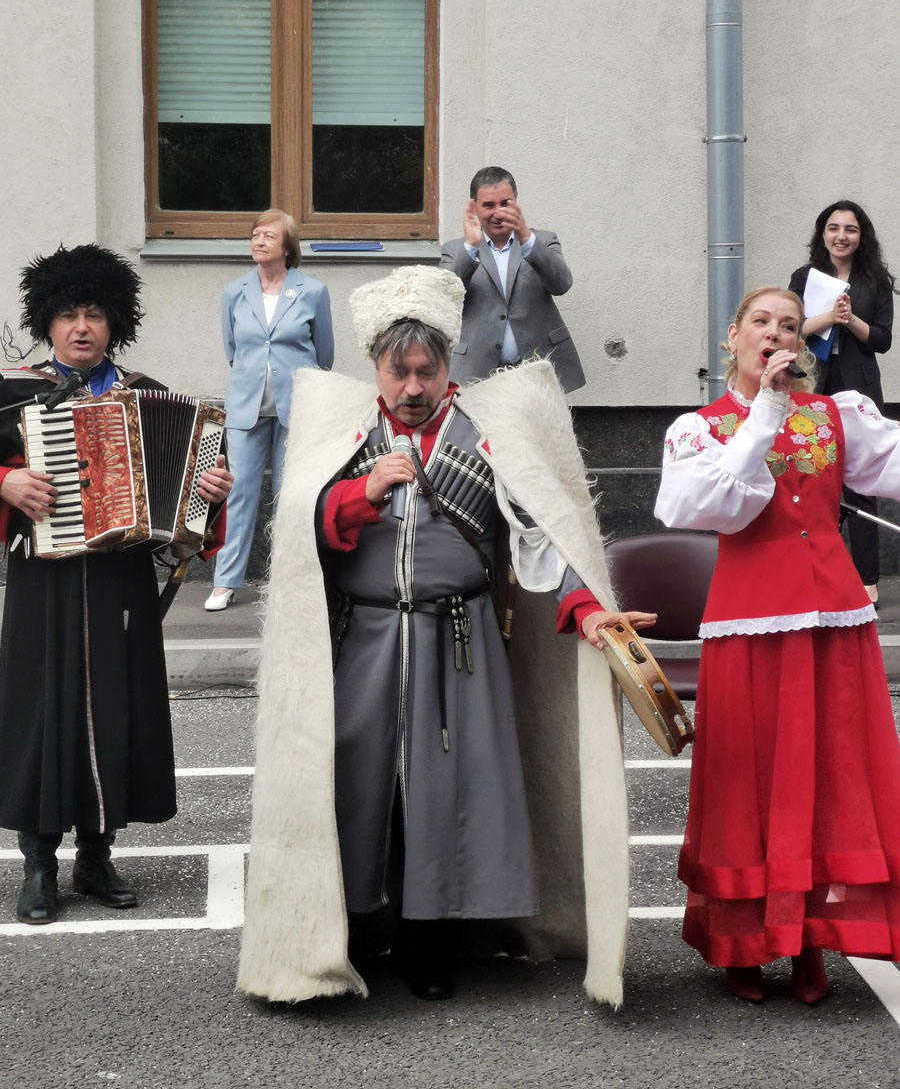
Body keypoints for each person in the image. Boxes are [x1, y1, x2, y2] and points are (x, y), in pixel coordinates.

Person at [237, 265, 653, 1005]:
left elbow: (542, 536)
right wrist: (359, 493)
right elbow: (302, 539)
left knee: (446, 796)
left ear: (446, 364)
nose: (412, 387)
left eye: (425, 371)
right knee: (357, 787)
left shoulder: (487, 434)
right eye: (397, 372)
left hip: (459, 644)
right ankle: (347, 933)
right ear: (376, 367)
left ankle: (429, 944)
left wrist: (589, 609)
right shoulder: (343, 432)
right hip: (360, 642)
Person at [655, 285, 900, 1005]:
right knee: (748, 779)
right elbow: (710, 508)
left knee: (831, 776)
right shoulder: (700, 428)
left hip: (833, 621)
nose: (775, 334)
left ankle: (808, 943)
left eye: (789, 325)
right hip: (749, 623)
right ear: (731, 337)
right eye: (760, 322)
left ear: (801, 343)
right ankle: (743, 942)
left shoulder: (834, 414)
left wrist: (781, 408)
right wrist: (763, 411)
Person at [0, 243, 233, 925]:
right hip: (43, 579)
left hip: (119, 578)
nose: (82, 327)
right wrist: (5, 481)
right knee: (42, 710)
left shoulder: (143, 392)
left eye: (95, 314)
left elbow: (190, 510)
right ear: (47, 322)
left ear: (114, 323)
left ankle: (96, 856)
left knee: (113, 707)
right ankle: (38, 863)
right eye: (69, 314)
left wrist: (207, 491)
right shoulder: (13, 393)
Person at [205, 208, 334, 610]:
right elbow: (233, 350)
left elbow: (324, 356)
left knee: (289, 495)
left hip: (296, 409)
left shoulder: (312, 291)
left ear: (287, 247)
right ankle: (226, 581)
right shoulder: (234, 291)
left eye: (269, 236)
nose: (259, 241)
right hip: (246, 408)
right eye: (255, 235)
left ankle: (288, 581)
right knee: (239, 494)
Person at [788, 200, 896, 606]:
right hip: (813, 385)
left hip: (859, 388)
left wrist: (850, 320)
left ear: (861, 236)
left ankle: (867, 581)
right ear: (823, 234)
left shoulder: (875, 280)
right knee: (812, 479)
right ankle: (813, 574)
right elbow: (791, 328)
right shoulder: (806, 277)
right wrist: (829, 317)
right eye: (833, 228)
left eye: (850, 229)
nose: (841, 236)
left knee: (861, 483)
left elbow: (882, 340)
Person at [440, 166, 585, 392]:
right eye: (489, 205)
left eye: (505, 203)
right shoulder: (456, 250)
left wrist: (526, 238)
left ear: (515, 203)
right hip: (477, 374)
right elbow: (443, 299)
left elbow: (561, 284)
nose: (498, 213)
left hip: (537, 370)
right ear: (474, 207)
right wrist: (470, 248)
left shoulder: (542, 240)